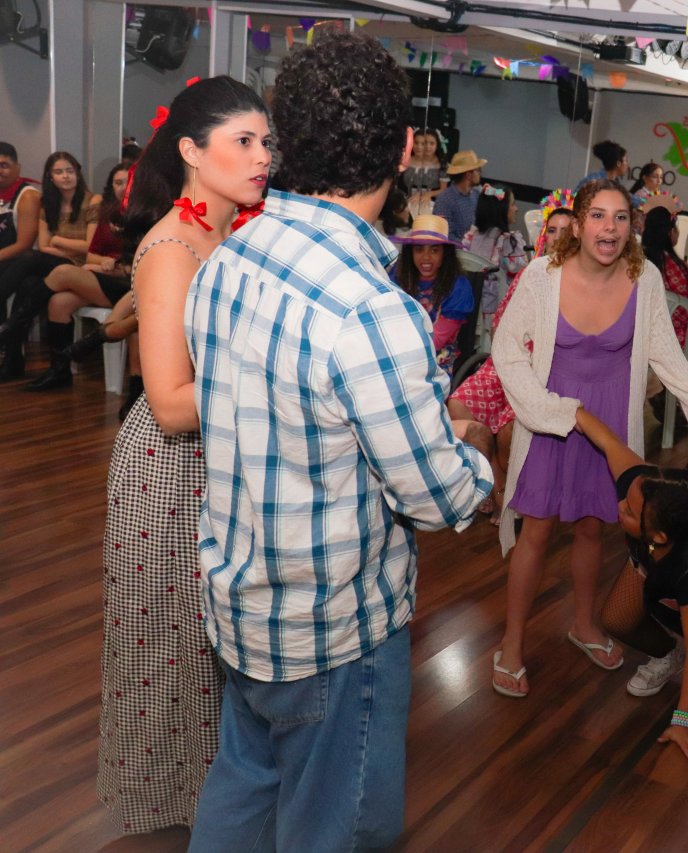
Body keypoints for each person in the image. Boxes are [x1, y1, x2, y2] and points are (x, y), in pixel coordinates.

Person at [185, 34, 491, 852]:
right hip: (333, 634)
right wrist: (474, 448)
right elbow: (438, 497)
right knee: (336, 831)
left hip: (239, 604)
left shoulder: (225, 259)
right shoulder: (371, 311)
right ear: (405, 148)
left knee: (243, 788)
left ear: (284, 141)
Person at [95, 76, 272, 840]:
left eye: (266, 141)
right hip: (171, 467)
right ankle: (171, 813)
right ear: (193, 152)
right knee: (169, 648)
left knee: (214, 649)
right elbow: (170, 401)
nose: (263, 156)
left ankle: (217, 805)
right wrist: (272, 367)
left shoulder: (237, 232)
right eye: (244, 141)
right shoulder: (171, 248)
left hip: (221, 455)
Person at [490, 180, 688, 698]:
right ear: (578, 223)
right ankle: (511, 645)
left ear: (632, 227)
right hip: (552, 415)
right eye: (598, 216)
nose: (609, 227)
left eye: (621, 217)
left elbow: (668, 357)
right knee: (536, 529)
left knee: (593, 528)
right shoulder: (542, 276)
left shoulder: (644, 277)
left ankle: (585, 625)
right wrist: (545, 409)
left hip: (610, 420)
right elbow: (506, 348)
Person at [576, 408, 688, 762]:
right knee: (615, 620)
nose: (619, 505)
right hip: (659, 557)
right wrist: (569, 408)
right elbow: (607, 440)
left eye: (629, 511)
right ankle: (667, 653)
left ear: (658, 535)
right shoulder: (644, 487)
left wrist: (684, 723)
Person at [448, 206, 574, 521]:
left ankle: (513, 494)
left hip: (544, 371)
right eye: (552, 230)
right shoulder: (530, 273)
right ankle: (496, 482)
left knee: (509, 431)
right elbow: (501, 321)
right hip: (507, 361)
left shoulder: (579, 283)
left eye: (566, 231)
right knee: (459, 403)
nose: (557, 238)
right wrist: (506, 355)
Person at [25, 162, 132, 390]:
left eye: (128, 181)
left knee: (63, 272)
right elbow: (91, 255)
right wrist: (104, 264)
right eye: (118, 182)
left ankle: (16, 326)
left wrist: (118, 266)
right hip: (106, 276)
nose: (123, 187)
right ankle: (59, 372)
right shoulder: (109, 215)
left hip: (130, 287)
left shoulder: (147, 214)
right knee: (58, 302)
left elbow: (142, 263)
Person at [0, 151, 99, 379]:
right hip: (58, 264)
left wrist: (58, 241)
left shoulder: (93, 201)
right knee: (28, 283)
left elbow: (90, 247)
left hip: (84, 268)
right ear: (50, 177)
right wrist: (63, 247)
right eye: (59, 172)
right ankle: (14, 359)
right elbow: (44, 246)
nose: (65, 176)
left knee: (28, 258)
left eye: (70, 171)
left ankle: (9, 331)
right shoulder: (47, 205)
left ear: (78, 173)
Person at [394, 212, 474, 376]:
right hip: (395, 350)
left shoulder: (458, 287)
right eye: (419, 250)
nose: (426, 257)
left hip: (436, 358)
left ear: (445, 253)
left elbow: (436, 340)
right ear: (410, 253)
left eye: (435, 250)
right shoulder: (398, 276)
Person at [641, 205, 688, 377]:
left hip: (633, 339)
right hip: (672, 344)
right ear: (670, 232)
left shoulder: (633, 264)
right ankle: (670, 391)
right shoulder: (686, 273)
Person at [463, 182, 528, 322]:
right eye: (513, 204)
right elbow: (521, 275)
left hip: (468, 306)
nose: (516, 209)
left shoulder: (472, 236)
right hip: (498, 312)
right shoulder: (508, 242)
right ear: (501, 209)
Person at [0, 142, 40, 282]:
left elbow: (24, 245)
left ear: (18, 168)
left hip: (21, 264)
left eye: (4, 166)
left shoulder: (28, 196)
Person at [434, 148, 486, 241]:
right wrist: (466, 246)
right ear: (468, 175)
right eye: (478, 170)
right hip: (456, 248)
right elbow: (445, 234)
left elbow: (501, 194)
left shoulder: (476, 194)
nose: (480, 173)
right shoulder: (445, 200)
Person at [405, 127, 448, 214]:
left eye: (432, 143)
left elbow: (444, 190)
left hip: (431, 205)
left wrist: (429, 194)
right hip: (407, 203)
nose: (427, 147)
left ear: (437, 145)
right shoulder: (406, 160)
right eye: (425, 143)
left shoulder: (441, 164)